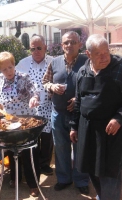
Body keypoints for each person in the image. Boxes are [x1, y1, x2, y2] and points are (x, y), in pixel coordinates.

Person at [70, 34, 122, 200]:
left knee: (110, 174)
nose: (104, 57)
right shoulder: (83, 71)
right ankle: (101, 196)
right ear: (88, 53)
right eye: (98, 53)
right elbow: (78, 101)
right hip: (88, 131)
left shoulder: (119, 68)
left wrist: (119, 117)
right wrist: (74, 126)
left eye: (106, 52)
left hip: (112, 133)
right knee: (92, 169)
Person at [42, 31, 89, 194]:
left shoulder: (87, 61)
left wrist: (79, 99)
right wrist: (52, 87)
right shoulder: (54, 62)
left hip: (79, 115)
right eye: (66, 43)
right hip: (58, 113)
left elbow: (94, 85)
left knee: (80, 148)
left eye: (73, 42)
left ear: (79, 44)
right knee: (61, 148)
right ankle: (64, 178)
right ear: (62, 45)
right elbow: (45, 82)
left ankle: (81, 179)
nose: (69, 45)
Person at [0, 51, 40, 197]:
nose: (8, 71)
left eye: (10, 67)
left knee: (27, 151)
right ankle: (15, 178)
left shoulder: (23, 77)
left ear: (14, 65)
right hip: (8, 121)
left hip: (24, 121)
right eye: (4, 69)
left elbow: (34, 91)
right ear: (0, 70)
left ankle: (33, 183)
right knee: (11, 151)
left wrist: (34, 98)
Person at [16, 34, 54, 176]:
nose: (36, 51)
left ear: (45, 47)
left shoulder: (53, 62)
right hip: (29, 108)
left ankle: (44, 164)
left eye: (39, 48)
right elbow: (15, 81)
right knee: (32, 137)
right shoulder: (22, 64)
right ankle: (33, 165)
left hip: (48, 106)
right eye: (33, 49)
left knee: (46, 137)